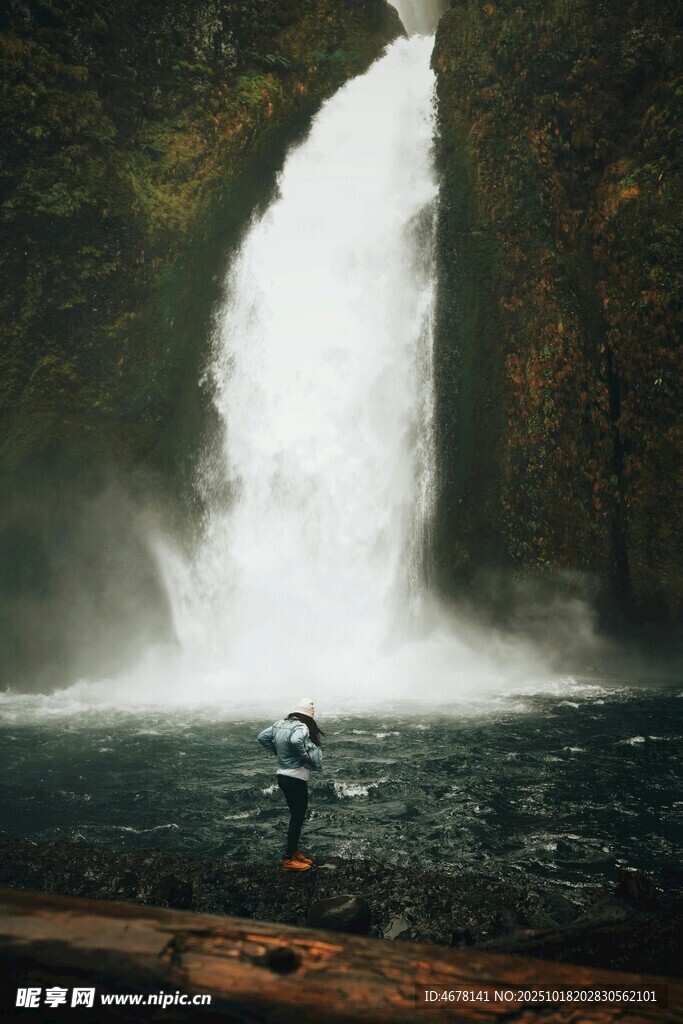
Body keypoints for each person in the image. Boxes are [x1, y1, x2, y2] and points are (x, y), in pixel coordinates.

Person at [257, 698, 324, 871]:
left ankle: (294, 852)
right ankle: (288, 859)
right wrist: (304, 756)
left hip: (283, 777)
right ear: (308, 716)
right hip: (295, 778)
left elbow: (262, 737)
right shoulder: (301, 727)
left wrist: (276, 750)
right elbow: (295, 741)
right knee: (297, 818)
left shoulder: (280, 723)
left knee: (296, 816)